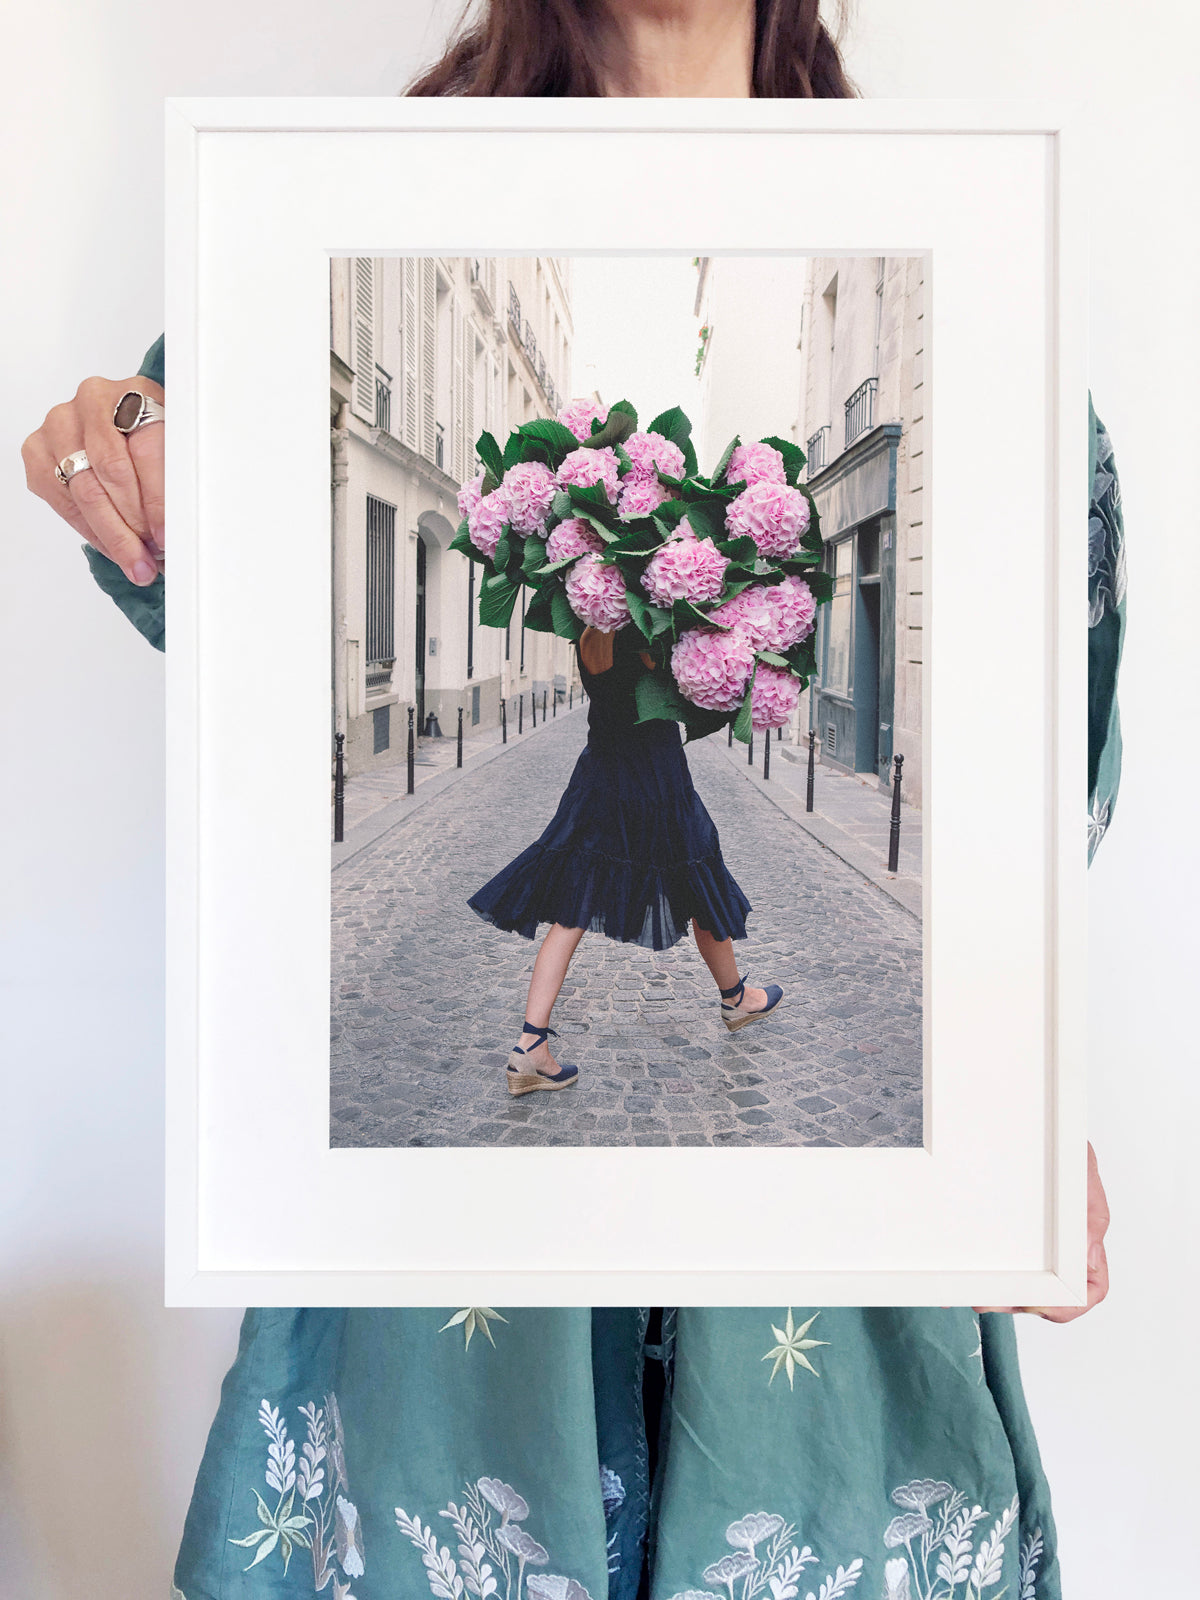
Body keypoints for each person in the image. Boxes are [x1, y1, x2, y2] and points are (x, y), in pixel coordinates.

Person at [20, 3, 1124, 1597]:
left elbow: (1052, 780)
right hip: (449, 1349)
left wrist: (1026, 1078)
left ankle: (660, 1014)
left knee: (658, 890)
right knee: (619, 888)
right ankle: (586, 1028)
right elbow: (233, 657)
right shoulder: (315, 217)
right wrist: (121, 455)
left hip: (839, 1342)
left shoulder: (970, 239)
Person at [469, 620, 781, 1095]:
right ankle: (736, 998)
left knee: (574, 907)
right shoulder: (648, 636)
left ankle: (531, 1044)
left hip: (599, 777)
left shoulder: (588, 638)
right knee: (701, 881)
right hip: (657, 781)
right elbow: (685, 695)